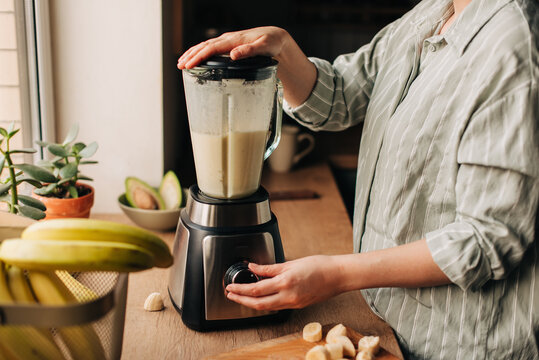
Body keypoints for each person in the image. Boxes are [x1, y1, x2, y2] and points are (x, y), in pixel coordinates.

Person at [178, 0, 538, 358]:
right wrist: (283, 49)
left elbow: (487, 238)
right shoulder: (434, 13)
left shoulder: (511, 46)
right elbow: (340, 96)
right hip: (387, 325)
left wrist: (336, 274)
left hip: (459, 342)